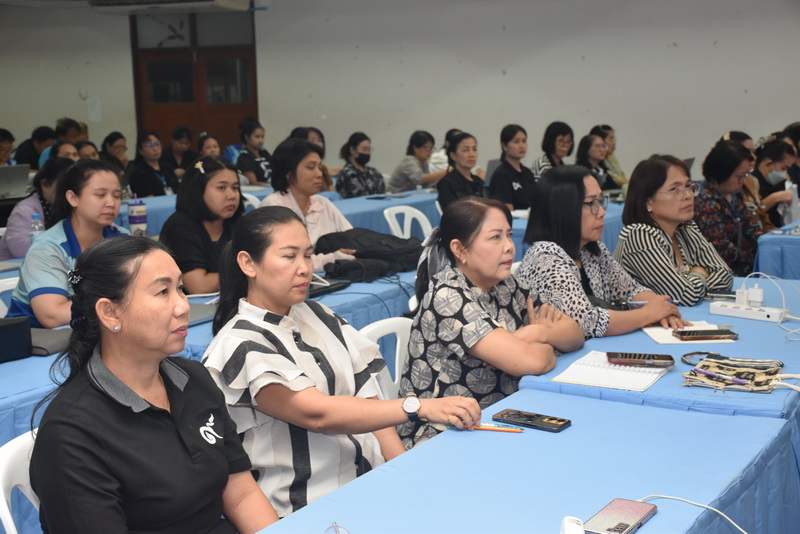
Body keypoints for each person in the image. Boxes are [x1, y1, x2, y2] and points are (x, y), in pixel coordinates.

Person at [203, 206, 481, 517]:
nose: (304, 268)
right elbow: (317, 414)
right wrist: (416, 407)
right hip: (309, 506)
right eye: (289, 256)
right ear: (247, 263)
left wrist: (404, 473)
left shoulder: (319, 314)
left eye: (308, 255)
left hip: (370, 484)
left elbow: (370, 401)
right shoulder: (238, 343)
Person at [30, 236, 279, 533]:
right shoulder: (71, 434)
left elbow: (240, 495)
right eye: (162, 291)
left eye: (181, 288)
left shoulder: (193, 379)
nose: (183, 306)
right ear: (110, 312)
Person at [398, 197, 583, 447]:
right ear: (460, 250)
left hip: (502, 416)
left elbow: (575, 333)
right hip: (443, 433)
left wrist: (534, 333)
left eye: (509, 235)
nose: (509, 246)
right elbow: (535, 361)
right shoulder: (447, 296)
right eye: (495, 237)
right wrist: (545, 342)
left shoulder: (506, 284)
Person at [515, 165, 687, 339]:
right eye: (592, 203)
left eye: (600, 201)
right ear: (563, 209)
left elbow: (630, 291)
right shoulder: (545, 258)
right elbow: (587, 323)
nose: (602, 212)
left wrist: (662, 309)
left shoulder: (591, 249)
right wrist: (647, 314)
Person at [6, 159, 128, 328]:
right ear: (73, 198)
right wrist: (121, 306)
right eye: (100, 195)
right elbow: (52, 316)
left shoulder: (122, 238)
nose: (111, 203)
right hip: (39, 338)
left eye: (116, 195)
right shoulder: (47, 249)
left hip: (98, 329)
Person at [613, 155, 733, 306]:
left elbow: (726, 276)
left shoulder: (686, 228)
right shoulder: (638, 235)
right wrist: (699, 273)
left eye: (688, 186)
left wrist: (688, 281)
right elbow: (686, 296)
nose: (688, 195)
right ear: (648, 202)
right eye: (675, 189)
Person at [259, 138, 355, 272]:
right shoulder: (273, 205)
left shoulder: (323, 203)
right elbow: (285, 260)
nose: (319, 174)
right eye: (311, 167)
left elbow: (352, 238)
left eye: (319, 167)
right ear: (288, 173)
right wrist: (332, 258)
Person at [159, 156, 244, 294]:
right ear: (198, 190)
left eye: (235, 188)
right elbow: (199, 286)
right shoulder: (179, 227)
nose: (231, 195)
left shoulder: (236, 222)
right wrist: (247, 271)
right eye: (221, 188)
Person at [694, 140, 763, 276]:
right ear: (722, 172)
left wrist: (766, 244)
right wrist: (755, 257)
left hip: (740, 266)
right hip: (718, 272)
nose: (743, 181)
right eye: (739, 176)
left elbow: (752, 227)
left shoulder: (734, 195)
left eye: (746, 175)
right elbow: (722, 250)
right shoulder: (706, 202)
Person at [0, 157, 72, 260]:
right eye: (64, 187)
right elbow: (19, 250)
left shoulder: (72, 206)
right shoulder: (25, 210)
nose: (70, 193)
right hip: (13, 267)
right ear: (45, 185)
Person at [746, 137, 795, 230]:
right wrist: (775, 198)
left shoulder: (778, 183)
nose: (785, 174)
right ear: (768, 164)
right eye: (783, 168)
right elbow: (750, 215)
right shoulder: (749, 182)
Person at [488, 124, 536, 211]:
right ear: (504, 146)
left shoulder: (527, 172)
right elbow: (506, 210)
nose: (522, 146)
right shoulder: (501, 175)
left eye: (524, 141)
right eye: (516, 142)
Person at [436, 132, 485, 210]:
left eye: (474, 149)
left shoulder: (478, 181)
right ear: (453, 156)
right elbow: (452, 214)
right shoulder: (447, 184)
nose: (472, 154)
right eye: (466, 150)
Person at [335, 132, 386, 198]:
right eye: (364, 149)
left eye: (369, 149)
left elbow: (382, 192)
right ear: (352, 150)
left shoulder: (374, 172)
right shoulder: (348, 174)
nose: (367, 153)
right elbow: (359, 195)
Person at [129, 131, 178, 197]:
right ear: (141, 151)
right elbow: (148, 198)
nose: (155, 148)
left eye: (157, 143)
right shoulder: (139, 174)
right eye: (150, 145)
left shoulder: (168, 169)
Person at [288, 126, 335, 191]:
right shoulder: (293, 170)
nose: (318, 144)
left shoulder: (323, 169)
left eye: (320, 140)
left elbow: (332, 192)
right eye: (312, 140)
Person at [236, 119, 272, 185]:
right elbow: (254, 183)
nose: (261, 140)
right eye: (257, 137)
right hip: (261, 189)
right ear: (247, 137)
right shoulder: (244, 158)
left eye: (262, 137)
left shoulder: (264, 153)